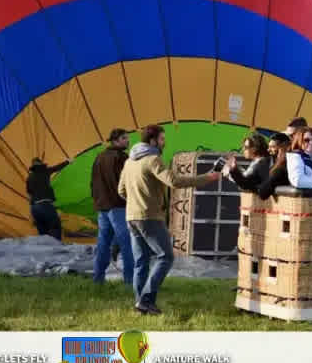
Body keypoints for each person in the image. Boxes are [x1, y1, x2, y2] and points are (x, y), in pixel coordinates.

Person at [118, 124, 219, 315]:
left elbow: (121, 191)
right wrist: (206, 178)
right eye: (162, 139)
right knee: (166, 257)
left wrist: (137, 201)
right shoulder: (153, 159)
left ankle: (140, 303)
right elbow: (174, 181)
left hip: (131, 217)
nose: (164, 143)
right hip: (150, 217)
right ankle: (146, 300)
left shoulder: (129, 161)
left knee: (141, 262)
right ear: (153, 140)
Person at [90, 128, 133, 285]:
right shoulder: (122, 158)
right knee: (128, 243)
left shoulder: (99, 157)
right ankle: (130, 281)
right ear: (115, 141)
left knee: (103, 243)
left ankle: (98, 278)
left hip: (103, 207)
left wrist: (97, 200)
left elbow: (93, 182)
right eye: (124, 138)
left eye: (127, 138)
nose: (127, 141)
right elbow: (127, 183)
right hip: (118, 206)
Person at [26, 157, 70, 241]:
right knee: (55, 227)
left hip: (34, 208)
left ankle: (45, 251)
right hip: (45, 205)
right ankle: (57, 250)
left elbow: (29, 193)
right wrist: (68, 161)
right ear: (41, 164)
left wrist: (31, 212)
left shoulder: (29, 177)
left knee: (43, 234)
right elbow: (57, 167)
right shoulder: (45, 171)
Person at [256, 133, 292, 200]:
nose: (268, 150)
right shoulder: (270, 162)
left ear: (284, 148)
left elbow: (263, 192)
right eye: (269, 147)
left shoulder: (284, 167)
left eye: (273, 147)